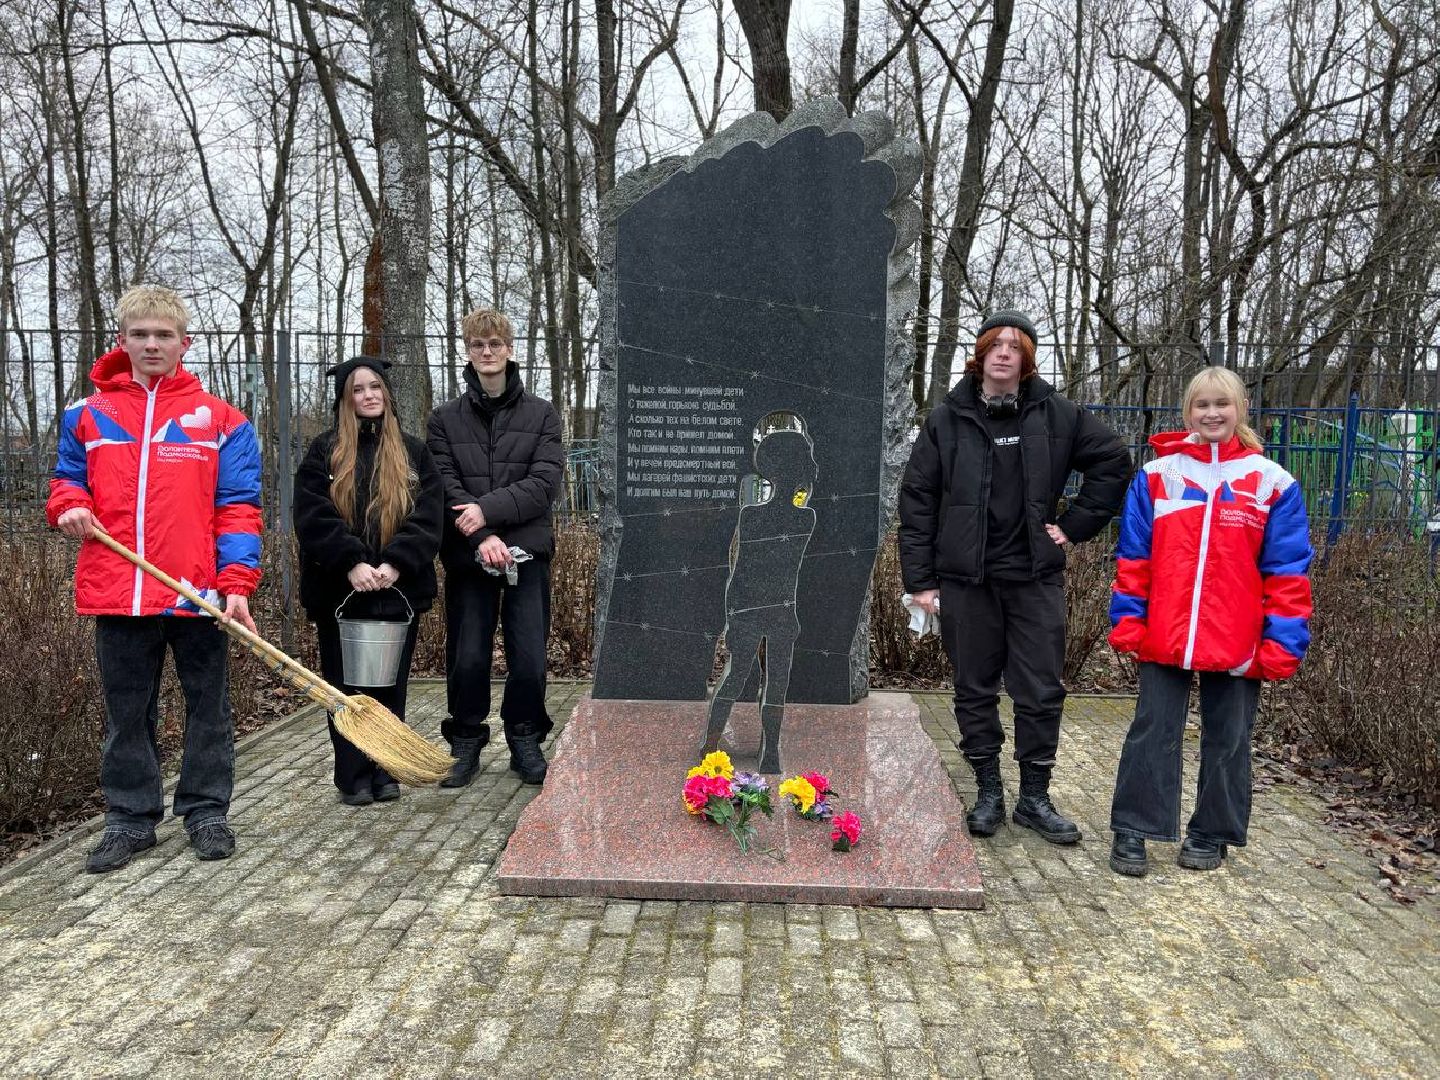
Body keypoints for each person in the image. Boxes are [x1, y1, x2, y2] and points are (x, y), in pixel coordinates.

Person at [47, 285, 262, 873]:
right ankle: (129, 818)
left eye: (163, 335)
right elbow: (67, 481)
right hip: (118, 589)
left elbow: (239, 507)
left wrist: (237, 581)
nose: (151, 344)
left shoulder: (223, 421)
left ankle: (206, 810)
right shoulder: (86, 416)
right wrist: (68, 504)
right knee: (126, 712)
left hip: (199, 593)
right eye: (139, 334)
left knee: (209, 708)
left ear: (184, 343)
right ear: (121, 340)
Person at [898, 310, 1129, 844]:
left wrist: (1072, 526)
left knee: (1040, 689)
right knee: (973, 689)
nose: (1004, 352)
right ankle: (988, 792)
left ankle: (1033, 798)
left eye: (1016, 346)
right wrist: (922, 581)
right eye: (995, 344)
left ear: (1027, 358)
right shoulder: (947, 418)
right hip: (965, 581)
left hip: (1033, 577)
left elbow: (1114, 461)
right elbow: (917, 501)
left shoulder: (1058, 414)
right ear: (980, 354)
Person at [1107, 366, 1313, 876]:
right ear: (1188, 412)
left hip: (1239, 638)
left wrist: (1282, 644)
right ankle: (1134, 828)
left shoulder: (1272, 484)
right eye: (1202, 404)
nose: (1213, 413)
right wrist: (1130, 621)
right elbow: (1134, 559)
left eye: (1223, 404)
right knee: (1152, 730)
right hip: (1165, 631)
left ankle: (1211, 832)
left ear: (1240, 409)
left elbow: (1288, 572)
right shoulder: (1158, 476)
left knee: (1230, 736)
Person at [293, 357, 443, 805]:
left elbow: (429, 515)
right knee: (345, 687)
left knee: (389, 685)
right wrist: (351, 562)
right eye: (357, 390)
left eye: (375, 386)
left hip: (397, 590)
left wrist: (397, 561)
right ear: (345, 398)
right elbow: (313, 515)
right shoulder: (324, 451)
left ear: (387, 393)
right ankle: (353, 775)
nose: (368, 395)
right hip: (342, 591)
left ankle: (386, 769)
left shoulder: (415, 452)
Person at [427, 308, 563, 787]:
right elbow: (444, 482)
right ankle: (465, 742)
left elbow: (543, 483)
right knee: (468, 656)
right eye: (477, 345)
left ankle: (524, 738)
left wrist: (487, 512)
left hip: (527, 553)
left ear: (510, 349)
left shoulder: (542, 414)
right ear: (467, 350)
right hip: (470, 554)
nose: (487, 352)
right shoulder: (444, 419)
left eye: (495, 344)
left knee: (528, 653)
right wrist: (481, 535)